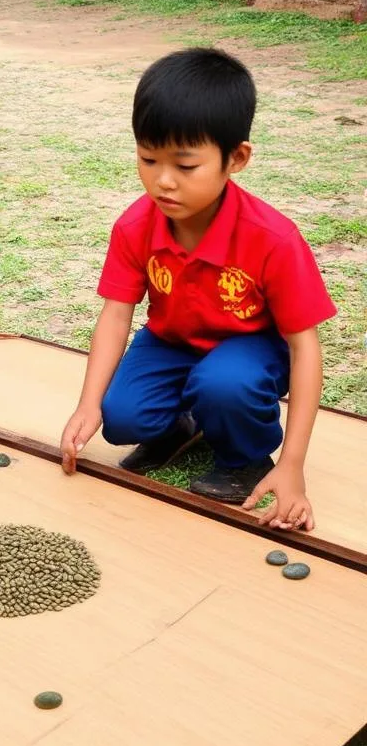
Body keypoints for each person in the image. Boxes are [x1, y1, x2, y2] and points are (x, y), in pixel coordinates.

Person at [59, 49, 335, 530]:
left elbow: (304, 346)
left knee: (225, 384)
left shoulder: (273, 239)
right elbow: (117, 313)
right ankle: (181, 425)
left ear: (237, 158)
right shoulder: (134, 226)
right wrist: (88, 404)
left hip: (250, 350)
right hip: (171, 341)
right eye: (148, 158)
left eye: (185, 166)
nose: (162, 181)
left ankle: (244, 456)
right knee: (121, 415)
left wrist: (293, 465)